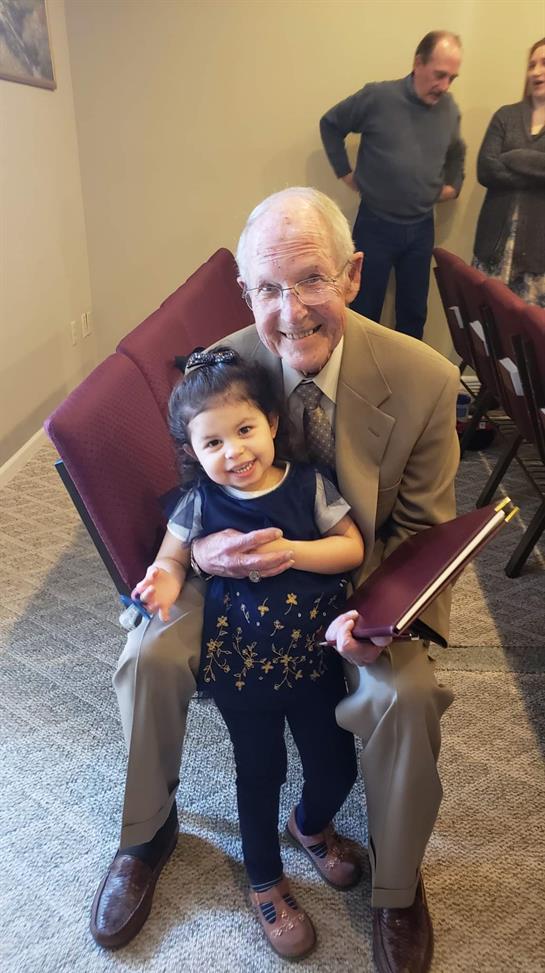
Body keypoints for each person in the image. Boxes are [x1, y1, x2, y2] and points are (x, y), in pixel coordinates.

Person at [91, 187, 460, 973]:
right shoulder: (220, 368)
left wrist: (374, 616)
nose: (288, 311)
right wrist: (191, 557)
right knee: (148, 656)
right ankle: (146, 831)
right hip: (231, 578)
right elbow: (190, 492)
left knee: (408, 694)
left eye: (309, 280)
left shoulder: (423, 379)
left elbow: (421, 535)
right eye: (266, 287)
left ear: (354, 275)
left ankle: (395, 884)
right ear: (245, 291)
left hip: (353, 581)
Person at [130, 346, 365, 959]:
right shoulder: (198, 503)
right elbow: (171, 558)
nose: (232, 452)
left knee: (336, 766)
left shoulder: (309, 486)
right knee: (259, 776)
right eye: (211, 444)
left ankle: (310, 826)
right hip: (242, 671)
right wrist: (160, 581)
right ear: (192, 451)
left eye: (244, 430)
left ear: (272, 424)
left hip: (314, 663)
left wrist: (290, 551)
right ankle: (265, 881)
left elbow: (350, 548)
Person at [320, 30, 465, 339]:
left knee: (413, 315)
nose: (444, 86)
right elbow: (331, 124)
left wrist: (454, 185)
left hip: (422, 227)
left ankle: (406, 382)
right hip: (376, 224)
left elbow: (457, 153)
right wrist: (344, 172)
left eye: (452, 78)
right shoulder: (378, 98)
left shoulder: (449, 109)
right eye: (439, 75)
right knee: (362, 311)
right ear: (418, 62)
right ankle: (359, 380)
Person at [472, 38, 545, 306]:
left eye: (544, 64)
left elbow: (500, 162)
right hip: (493, 250)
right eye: (532, 65)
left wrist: (513, 156)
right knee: (481, 331)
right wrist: (536, 173)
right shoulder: (506, 116)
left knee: (525, 342)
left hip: (538, 263)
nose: (536, 72)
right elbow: (486, 168)